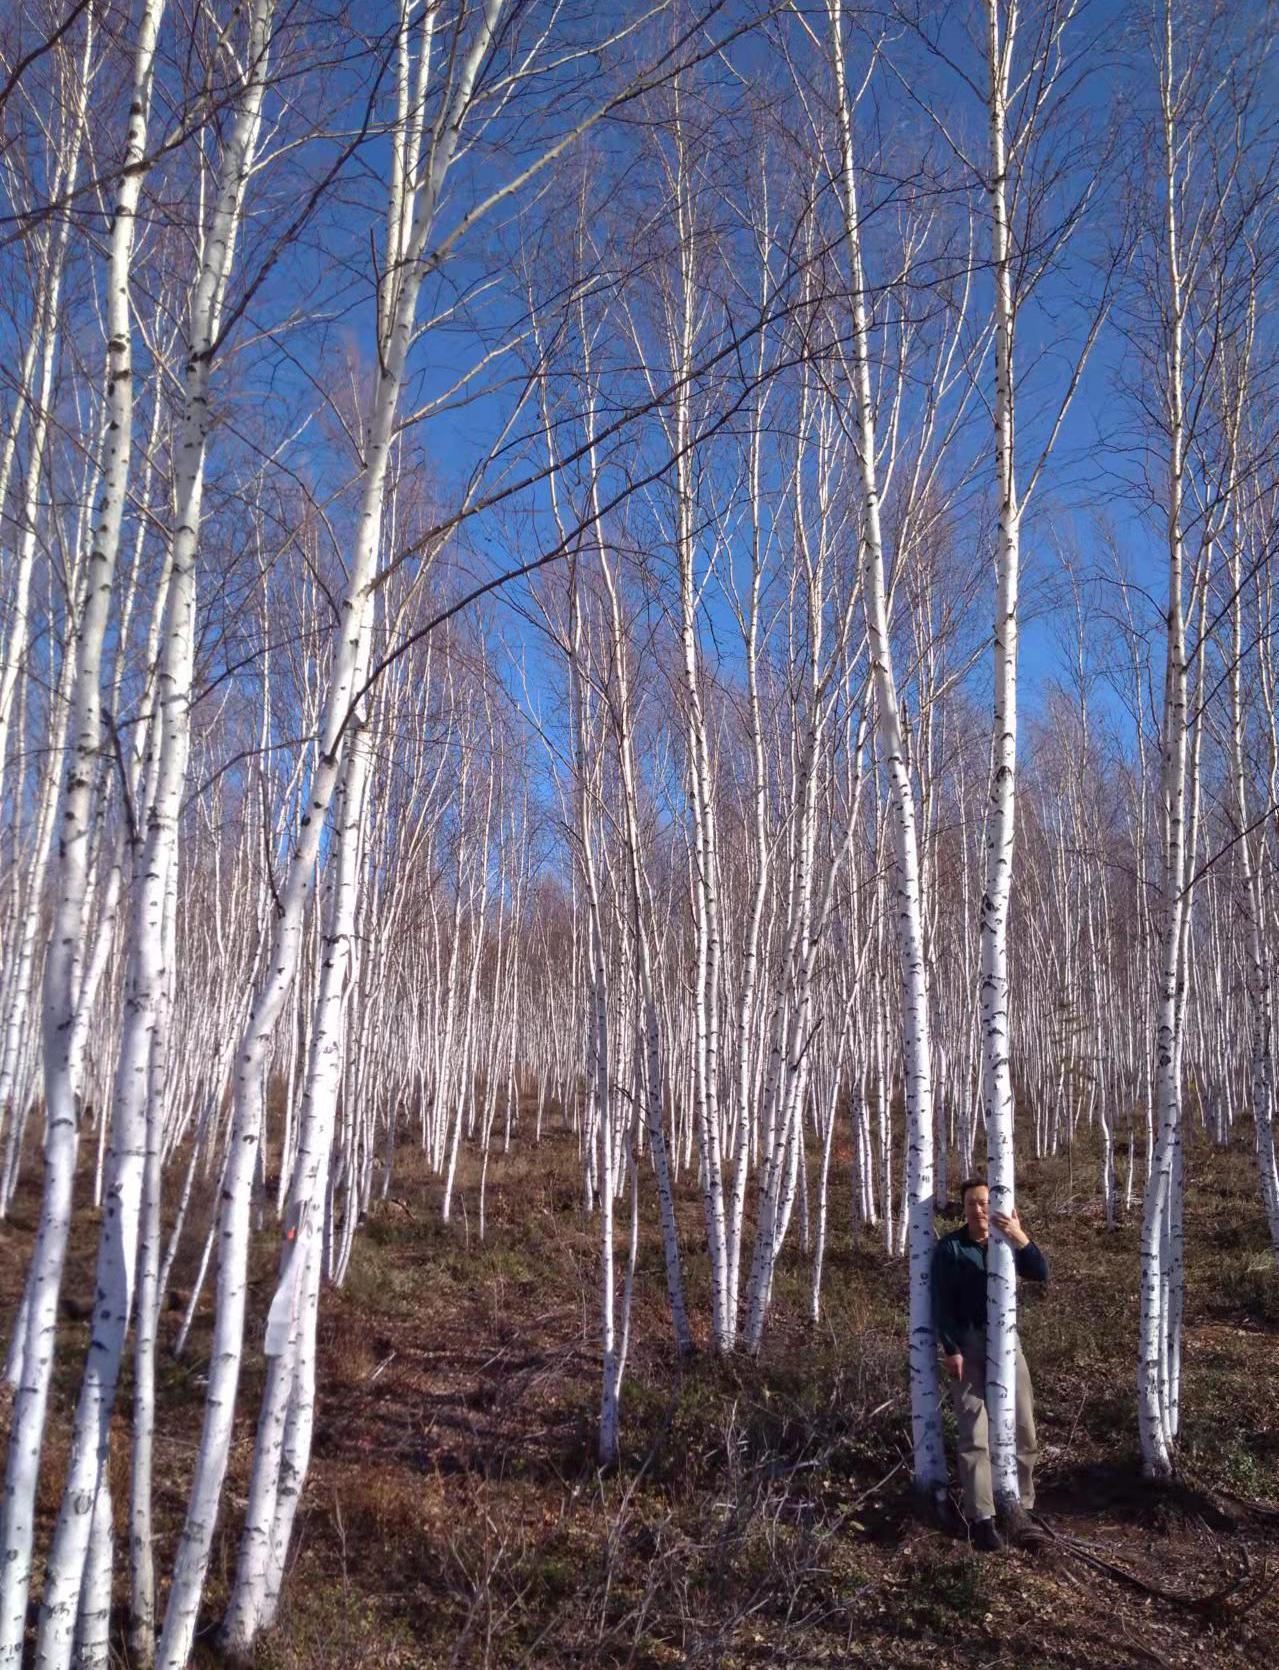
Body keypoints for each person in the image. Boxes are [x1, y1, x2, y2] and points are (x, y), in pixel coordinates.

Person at [930, 1176, 1049, 1552]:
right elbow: (940, 1303)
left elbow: (1040, 1272)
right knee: (974, 1429)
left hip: (1007, 1340)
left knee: (1024, 1424)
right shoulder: (950, 1247)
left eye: (983, 1202)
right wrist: (952, 1349)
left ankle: (1021, 1505)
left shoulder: (1005, 1243)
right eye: (970, 1204)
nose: (977, 1210)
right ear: (963, 1209)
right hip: (968, 1343)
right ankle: (982, 1518)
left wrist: (1019, 1235)